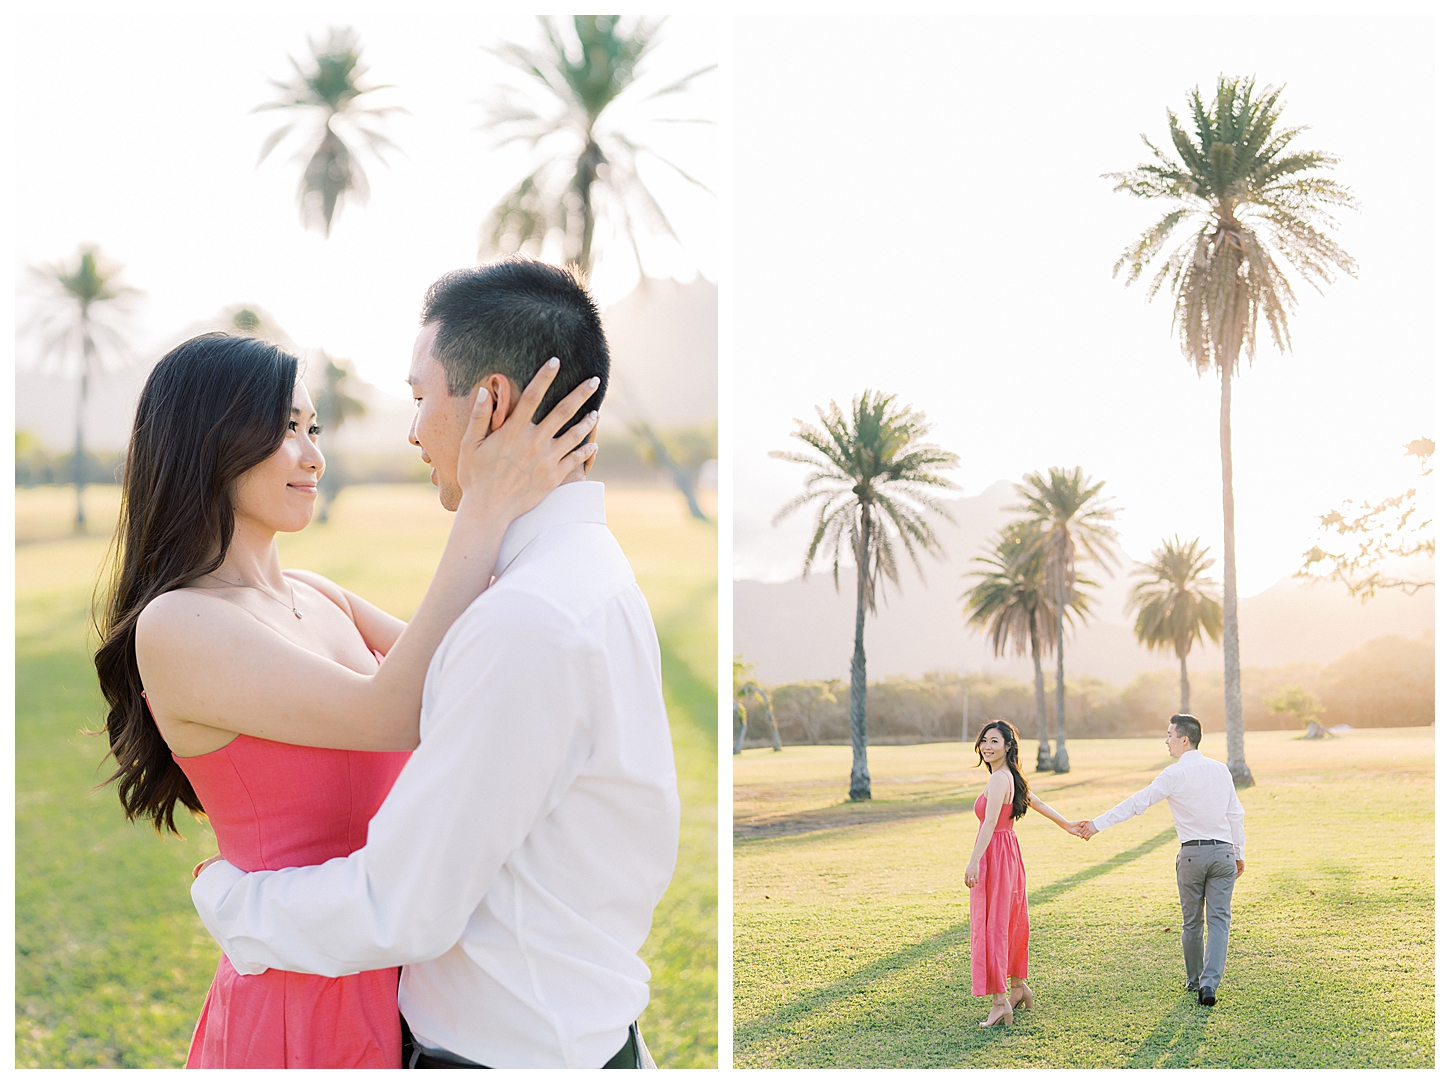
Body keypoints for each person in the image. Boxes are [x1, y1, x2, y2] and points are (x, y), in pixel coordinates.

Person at [190, 258, 682, 1070]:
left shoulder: (529, 618)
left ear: (489, 403)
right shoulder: (583, 574)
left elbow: (401, 904)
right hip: (573, 1035)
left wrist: (232, 901)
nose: (413, 432)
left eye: (420, 400)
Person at [94, 330, 598, 1068]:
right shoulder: (179, 623)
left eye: (312, 428)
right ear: (209, 442)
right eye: (283, 431)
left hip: (410, 980)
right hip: (304, 1001)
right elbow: (389, 711)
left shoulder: (317, 593)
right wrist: (483, 508)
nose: (312, 456)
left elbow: (473, 666)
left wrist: (540, 480)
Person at [1072, 713, 1246, 1006]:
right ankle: (1209, 985)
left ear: (1184, 739)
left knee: (1193, 923)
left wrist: (1097, 824)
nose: (1166, 741)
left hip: (1192, 855)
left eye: (1169, 735)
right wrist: (1238, 852)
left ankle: (1195, 981)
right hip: (1223, 853)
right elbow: (1236, 814)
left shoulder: (1173, 775)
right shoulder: (1221, 770)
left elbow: (1137, 804)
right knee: (1220, 922)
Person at [962, 719, 1080, 1027]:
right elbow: (1035, 801)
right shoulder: (1011, 775)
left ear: (1008, 746)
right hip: (1008, 852)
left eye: (994, 742)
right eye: (984, 741)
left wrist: (974, 861)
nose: (987, 747)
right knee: (1009, 921)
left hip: (995, 854)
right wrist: (1066, 824)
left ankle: (1000, 1003)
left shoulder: (999, 778)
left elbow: (989, 824)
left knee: (995, 925)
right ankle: (1017, 987)